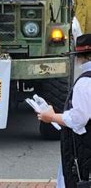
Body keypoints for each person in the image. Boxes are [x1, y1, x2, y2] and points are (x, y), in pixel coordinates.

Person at [38, 34, 91, 188]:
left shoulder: (85, 82)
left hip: (84, 149)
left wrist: (52, 116)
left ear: (80, 57)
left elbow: (78, 119)